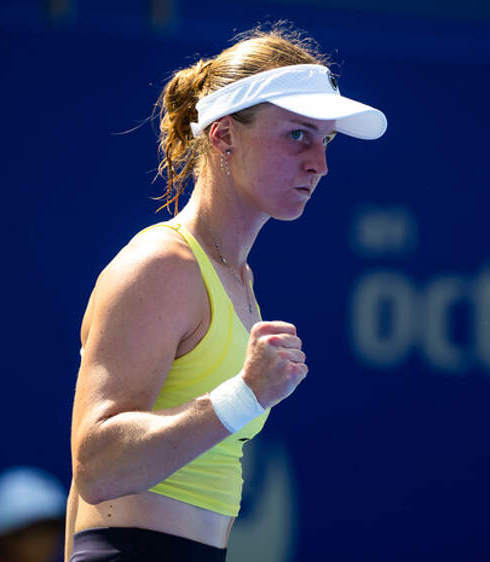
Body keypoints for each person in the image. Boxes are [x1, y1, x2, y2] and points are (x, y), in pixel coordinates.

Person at [66, 24, 387, 561]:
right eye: (298, 135)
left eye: (326, 140)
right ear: (223, 135)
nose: (320, 162)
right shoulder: (163, 266)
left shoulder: (238, 280)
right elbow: (96, 468)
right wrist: (244, 395)